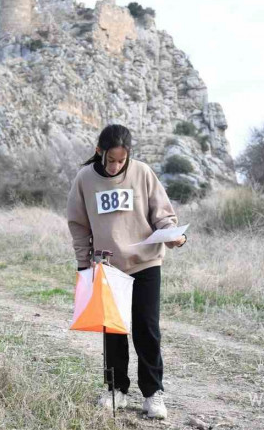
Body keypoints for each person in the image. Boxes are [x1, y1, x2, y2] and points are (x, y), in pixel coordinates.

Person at [66, 124, 186, 420]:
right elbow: (79, 226)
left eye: (122, 160)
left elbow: (163, 215)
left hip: (145, 263)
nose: (116, 166)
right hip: (107, 265)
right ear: (99, 152)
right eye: (111, 160)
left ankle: (152, 394)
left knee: (147, 330)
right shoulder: (84, 180)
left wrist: (173, 235)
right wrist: (84, 265)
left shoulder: (143, 173)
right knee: (114, 331)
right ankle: (114, 389)